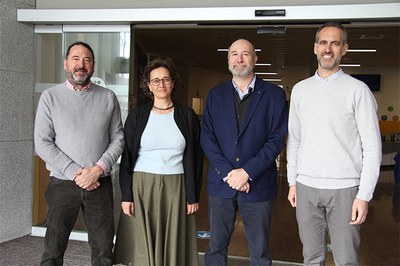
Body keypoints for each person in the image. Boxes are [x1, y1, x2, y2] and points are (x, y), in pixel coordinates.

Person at [286, 22, 382, 265]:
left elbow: (372, 148)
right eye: (323, 42)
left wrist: (364, 196)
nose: (328, 48)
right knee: (311, 257)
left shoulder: (358, 91)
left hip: (345, 189)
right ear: (315, 47)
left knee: (346, 259)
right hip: (306, 186)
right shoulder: (300, 90)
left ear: (344, 49)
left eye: (335, 43)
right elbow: (294, 139)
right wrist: (292, 182)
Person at [34, 41, 124, 265]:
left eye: (86, 60)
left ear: (93, 66)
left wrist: (98, 170)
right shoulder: (50, 97)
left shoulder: (108, 97)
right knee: (53, 250)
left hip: (99, 184)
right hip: (62, 185)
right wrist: (77, 173)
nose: (80, 64)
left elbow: (118, 139)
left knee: (103, 251)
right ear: (66, 64)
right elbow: (43, 143)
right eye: (75, 59)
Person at [200, 39, 288, 266]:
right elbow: (207, 137)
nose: (239, 59)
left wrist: (247, 172)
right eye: (234, 54)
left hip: (258, 184)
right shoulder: (215, 94)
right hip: (222, 184)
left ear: (255, 59)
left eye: (245, 54)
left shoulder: (274, 95)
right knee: (216, 249)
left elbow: (276, 139)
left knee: (259, 251)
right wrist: (231, 174)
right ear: (228, 59)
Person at [113, 57, 203, 266]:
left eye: (166, 79)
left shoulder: (187, 115)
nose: (161, 85)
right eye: (155, 81)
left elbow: (196, 157)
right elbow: (127, 156)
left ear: (173, 83)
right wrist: (127, 195)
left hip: (176, 186)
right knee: (143, 246)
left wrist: (193, 195)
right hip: (142, 187)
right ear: (148, 86)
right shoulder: (137, 116)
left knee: (174, 243)